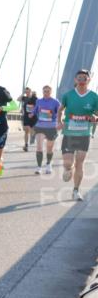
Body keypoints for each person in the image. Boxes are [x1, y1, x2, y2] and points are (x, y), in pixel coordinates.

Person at [57, 70, 98, 201]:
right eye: (79, 77)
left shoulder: (94, 96)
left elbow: (97, 115)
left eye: (84, 77)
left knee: (80, 161)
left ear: (88, 80)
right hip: (69, 133)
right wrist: (59, 122)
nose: (82, 79)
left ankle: (76, 190)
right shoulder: (68, 95)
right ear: (75, 80)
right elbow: (60, 110)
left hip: (84, 134)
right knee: (68, 163)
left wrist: (95, 117)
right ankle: (69, 168)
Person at [32, 85, 60, 174]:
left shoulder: (55, 102)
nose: (46, 93)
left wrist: (59, 122)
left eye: (48, 91)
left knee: (49, 148)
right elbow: (35, 110)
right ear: (42, 92)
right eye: (44, 91)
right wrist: (31, 114)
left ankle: (48, 164)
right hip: (40, 126)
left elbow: (60, 112)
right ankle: (39, 167)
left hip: (51, 127)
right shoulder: (39, 101)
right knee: (39, 147)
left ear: (51, 92)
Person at [19, 87, 38, 151]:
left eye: (28, 92)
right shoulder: (24, 98)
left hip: (33, 117)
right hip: (26, 116)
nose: (27, 93)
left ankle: (33, 135)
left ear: (31, 91)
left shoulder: (35, 98)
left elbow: (38, 106)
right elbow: (18, 99)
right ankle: (26, 145)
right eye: (26, 92)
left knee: (32, 131)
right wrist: (22, 93)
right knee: (26, 130)